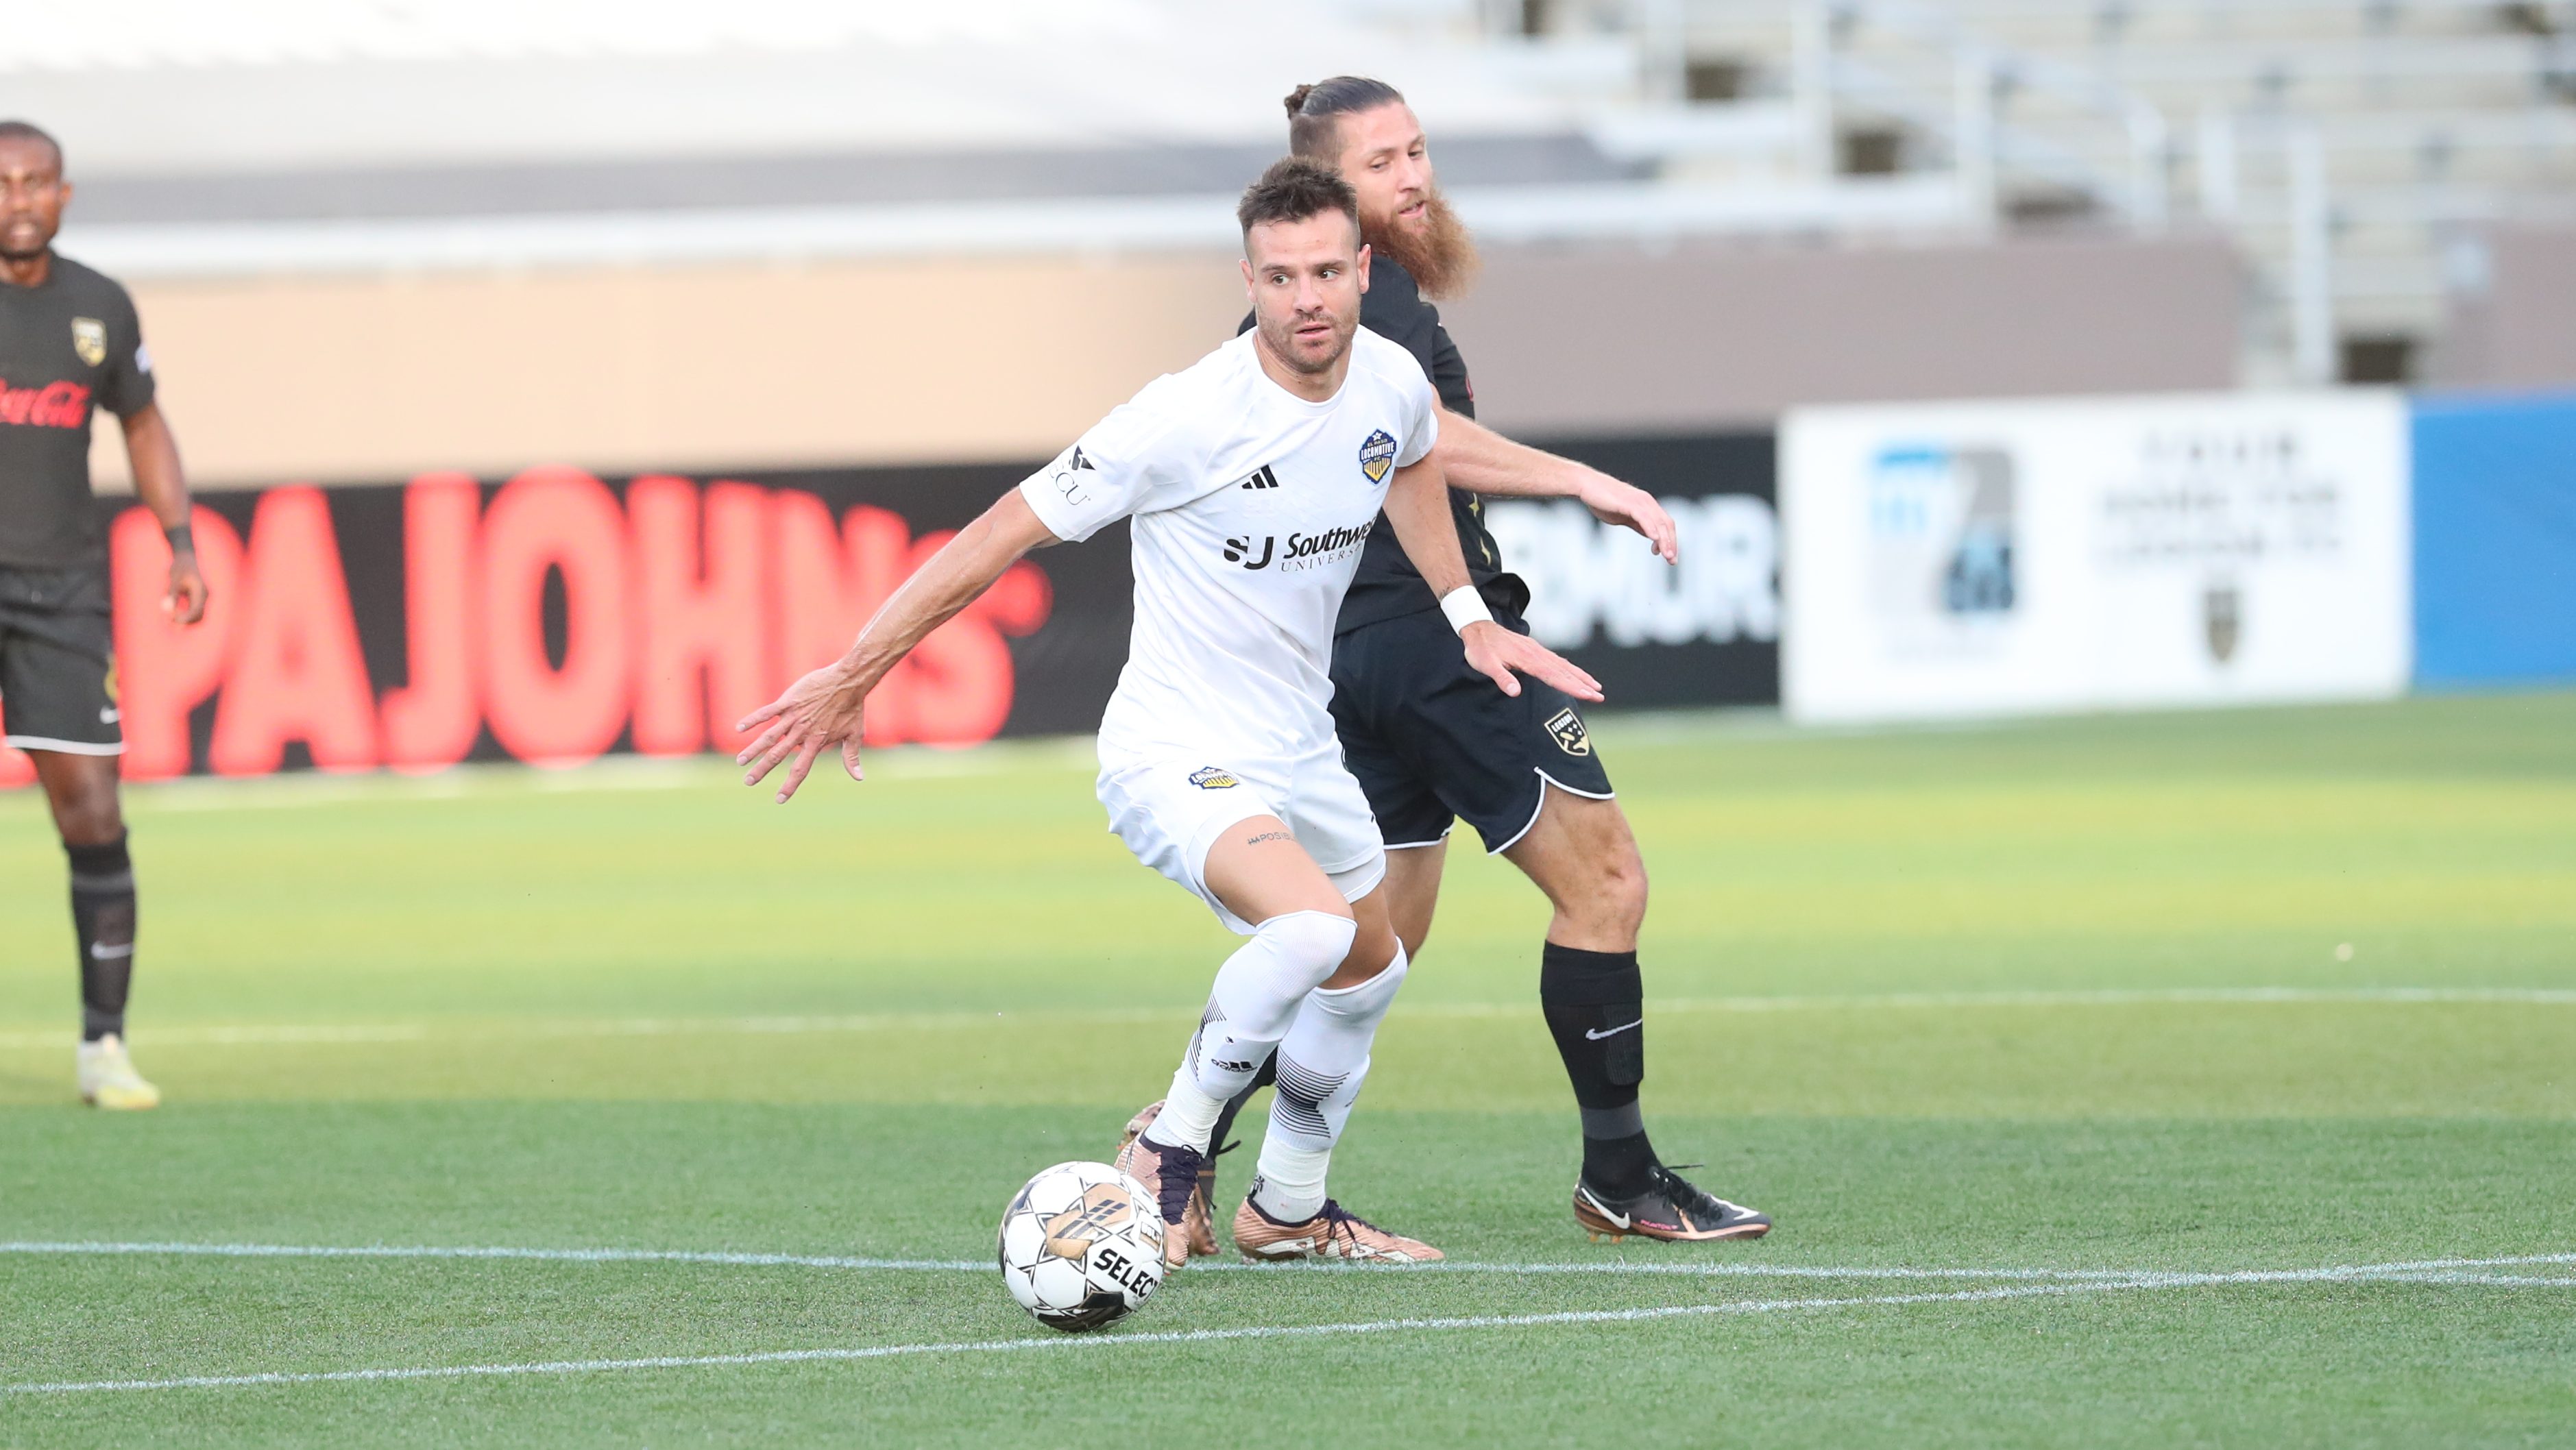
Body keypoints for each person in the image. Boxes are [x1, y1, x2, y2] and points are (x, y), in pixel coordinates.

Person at [737, 158, 1601, 1266]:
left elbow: (1410, 462)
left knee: (1367, 968)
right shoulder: (1184, 415)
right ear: (1248, 277)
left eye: (1327, 272)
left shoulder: (1388, 379)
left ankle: (1286, 1211)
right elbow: (1005, 528)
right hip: (1174, 748)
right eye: (1281, 276)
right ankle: (1171, 1148)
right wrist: (856, 672)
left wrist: (1466, 611)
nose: (1307, 298)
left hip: (1301, 747)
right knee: (1311, 929)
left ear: (1361, 268)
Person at [1188, 79, 1771, 1246]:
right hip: (1427, 640)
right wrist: (1580, 479)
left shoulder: (1302, 316)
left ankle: (1188, 1163)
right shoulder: (1367, 293)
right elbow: (1423, 438)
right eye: (1381, 163)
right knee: (1604, 886)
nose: (1413, 178)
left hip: (1346, 652)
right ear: (1325, 198)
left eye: (1418, 152)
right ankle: (1622, 1173)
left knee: (1369, 950)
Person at [1, 120, 208, 1111]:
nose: (20, 199)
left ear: (64, 194)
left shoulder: (99, 306)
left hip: (61, 593)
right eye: (2, 183)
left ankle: (103, 1048)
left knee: (94, 813)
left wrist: (178, 540)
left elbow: (142, 419)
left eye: (36, 182)